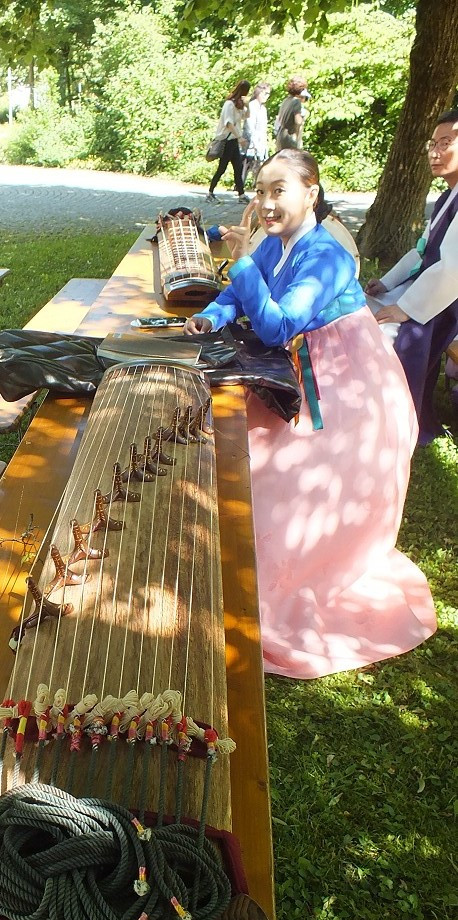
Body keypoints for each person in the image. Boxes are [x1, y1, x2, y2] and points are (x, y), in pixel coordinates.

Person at [184, 149, 436, 679]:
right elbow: (238, 297)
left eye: (279, 190)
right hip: (304, 364)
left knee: (277, 472)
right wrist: (210, 316)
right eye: (260, 191)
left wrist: (245, 261)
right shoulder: (277, 245)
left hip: (344, 379)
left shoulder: (326, 254)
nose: (267, 202)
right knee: (235, 444)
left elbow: (277, 325)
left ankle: (289, 570)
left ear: (310, 193)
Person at [365, 108, 458, 445]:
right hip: (436, 291)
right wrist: (388, 283)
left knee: (408, 334)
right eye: (432, 143)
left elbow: (454, 268)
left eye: (445, 143)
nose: (435, 152)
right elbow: (423, 250)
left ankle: (398, 423)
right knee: (372, 308)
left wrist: (408, 309)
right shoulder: (448, 196)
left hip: (448, 300)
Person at [207, 80, 251, 204]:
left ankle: (241, 195)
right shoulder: (229, 105)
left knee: (238, 167)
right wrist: (240, 137)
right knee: (222, 168)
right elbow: (228, 123)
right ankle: (210, 192)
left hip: (233, 141)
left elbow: (246, 116)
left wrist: (248, 104)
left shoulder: (239, 105)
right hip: (227, 140)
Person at [242, 82, 271, 189]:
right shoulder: (252, 105)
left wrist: (263, 143)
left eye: (268, 94)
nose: (266, 96)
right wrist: (254, 142)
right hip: (249, 141)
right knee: (246, 164)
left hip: (260, 141)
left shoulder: (263, 109)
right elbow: (250, 126)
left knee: (259, 164)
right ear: (258, 93)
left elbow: (263, 128)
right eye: (264, 93)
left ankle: (257, 185)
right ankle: (240, 185)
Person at [274, 76, 309, 151]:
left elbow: (280, 118)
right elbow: (298, 121)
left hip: (281, 135)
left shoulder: (286, 100)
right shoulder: (296, 101)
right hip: (289, 136)